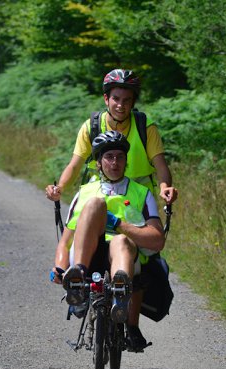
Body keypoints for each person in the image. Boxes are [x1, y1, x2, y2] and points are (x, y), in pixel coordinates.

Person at [50, 130, 166, 351]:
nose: (115, 162)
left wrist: (120, 225)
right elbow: (65, 241)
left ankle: (121, 294)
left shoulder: (141, 193)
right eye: (109, 157)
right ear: (99, 162)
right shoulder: (85, 192)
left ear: (126, 160)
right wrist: (59, 267)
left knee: (121, 240)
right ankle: (78, 279)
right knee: (95, 204)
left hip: (123, 255)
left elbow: (157, 241)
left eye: (120, 157)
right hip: (89, 253)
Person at [45, 69, 178, 204]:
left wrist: (165, 187)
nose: (121, 105)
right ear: (106, 99)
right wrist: (60, 187)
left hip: (139, 198)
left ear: (133, 103)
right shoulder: (91, 127)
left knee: (153, 226)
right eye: (116, 98)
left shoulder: (145, 127)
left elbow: (161, 166)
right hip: (99, 197)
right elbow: (74, 165)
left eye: (127, 100)